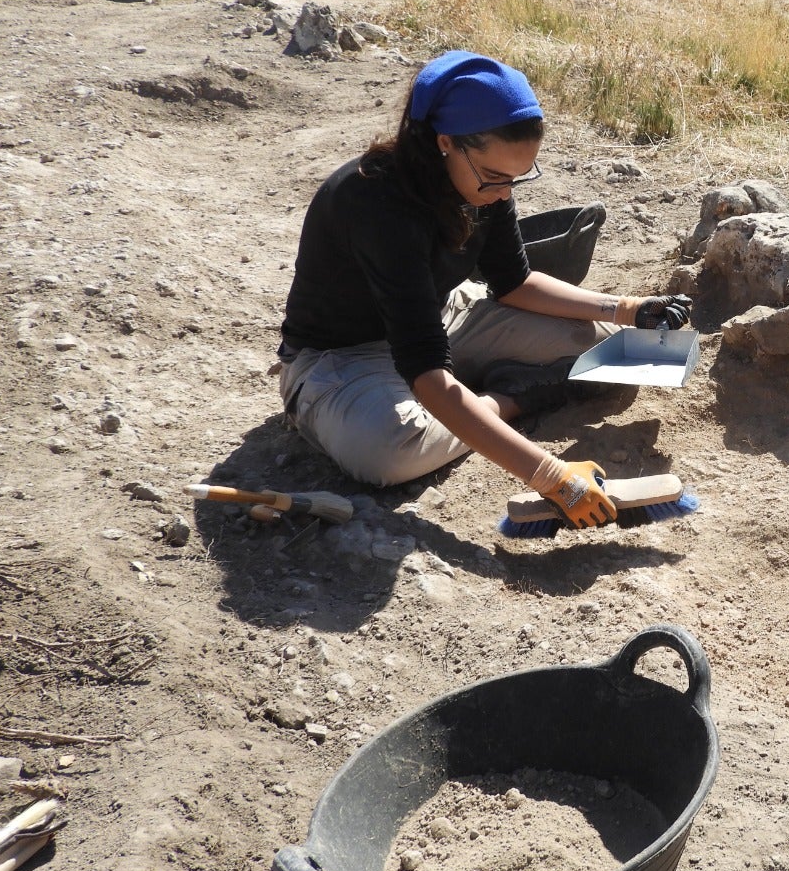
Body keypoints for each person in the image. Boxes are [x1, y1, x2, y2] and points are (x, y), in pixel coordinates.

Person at [277, 50, 691, 528]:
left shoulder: (484, 186)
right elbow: (425, 369)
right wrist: (549, 474)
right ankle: (508, 399)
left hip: (442, 315)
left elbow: (514, 282)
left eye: (517, 178)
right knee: (388, 453)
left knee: (602, 345)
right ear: (446, 143)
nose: (506, 193)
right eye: (496, 178)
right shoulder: (375, 204)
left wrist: (628, 309)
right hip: (343, 358)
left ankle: (469, 406)